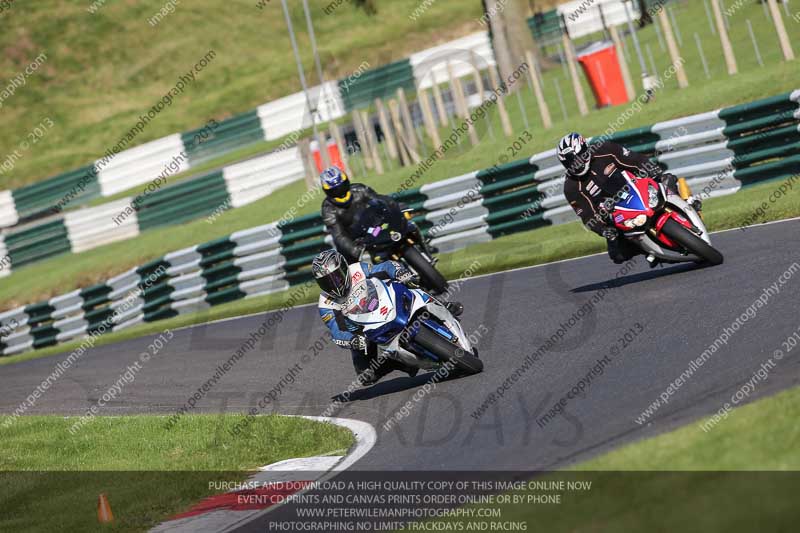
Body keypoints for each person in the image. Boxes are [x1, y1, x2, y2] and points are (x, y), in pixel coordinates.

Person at [313, 249, 462, 386]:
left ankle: (442, 305)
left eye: (335, 277)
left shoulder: (357, 270)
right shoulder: (326, 303)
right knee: (366, 376)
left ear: (344, 269)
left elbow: (384, 267)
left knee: (408, 282)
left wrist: (399, 272)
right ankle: (399, 362)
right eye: (326, 281)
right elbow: (337, 330)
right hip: (362, 331)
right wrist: (352, 340)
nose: (333, 284)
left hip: (381, 303)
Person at [557, 132, 701, 265]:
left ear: (586, 150)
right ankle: (650, 250)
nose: (576, 164)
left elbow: (635, 159)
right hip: (617, 214)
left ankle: (686, 204)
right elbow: (588, 216)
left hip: (638, 188)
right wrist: (603, 230)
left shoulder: (605, 149)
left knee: (666, 179)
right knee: (618, 254)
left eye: (578, 158)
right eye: (571, 162)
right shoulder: (571, 188)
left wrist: (652, 170)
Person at [319, 166, 433, 263]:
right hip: (357, 240)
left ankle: (426, 250)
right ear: (327, 191)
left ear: (347, 182)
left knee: (410, 226)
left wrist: (398, 207)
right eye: (334, 190)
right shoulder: (328, 209)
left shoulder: (359, 189)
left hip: (375, 228)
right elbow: (338, 235)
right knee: (353, 265)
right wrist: (354, 250)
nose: (340, 192)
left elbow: (381, 200)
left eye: (342, 186)